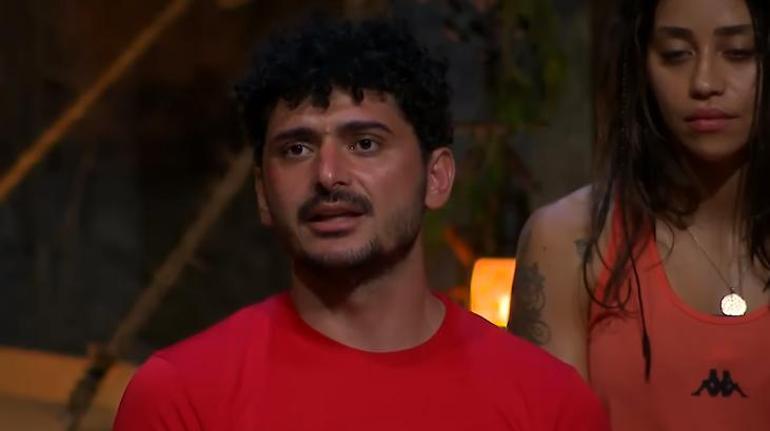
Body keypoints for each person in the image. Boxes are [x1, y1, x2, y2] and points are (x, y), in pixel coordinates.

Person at [113, 18, 608, 430]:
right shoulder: (182, 399)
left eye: (365, 144)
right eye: (296, 149)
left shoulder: (548, 405)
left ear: (437, 178)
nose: (328, 175)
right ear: (263, 194)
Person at [508, 0, 770, 429]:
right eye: (676, 55)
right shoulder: (567, 241)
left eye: (739, 53)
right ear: (642, 66)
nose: (704, 82)